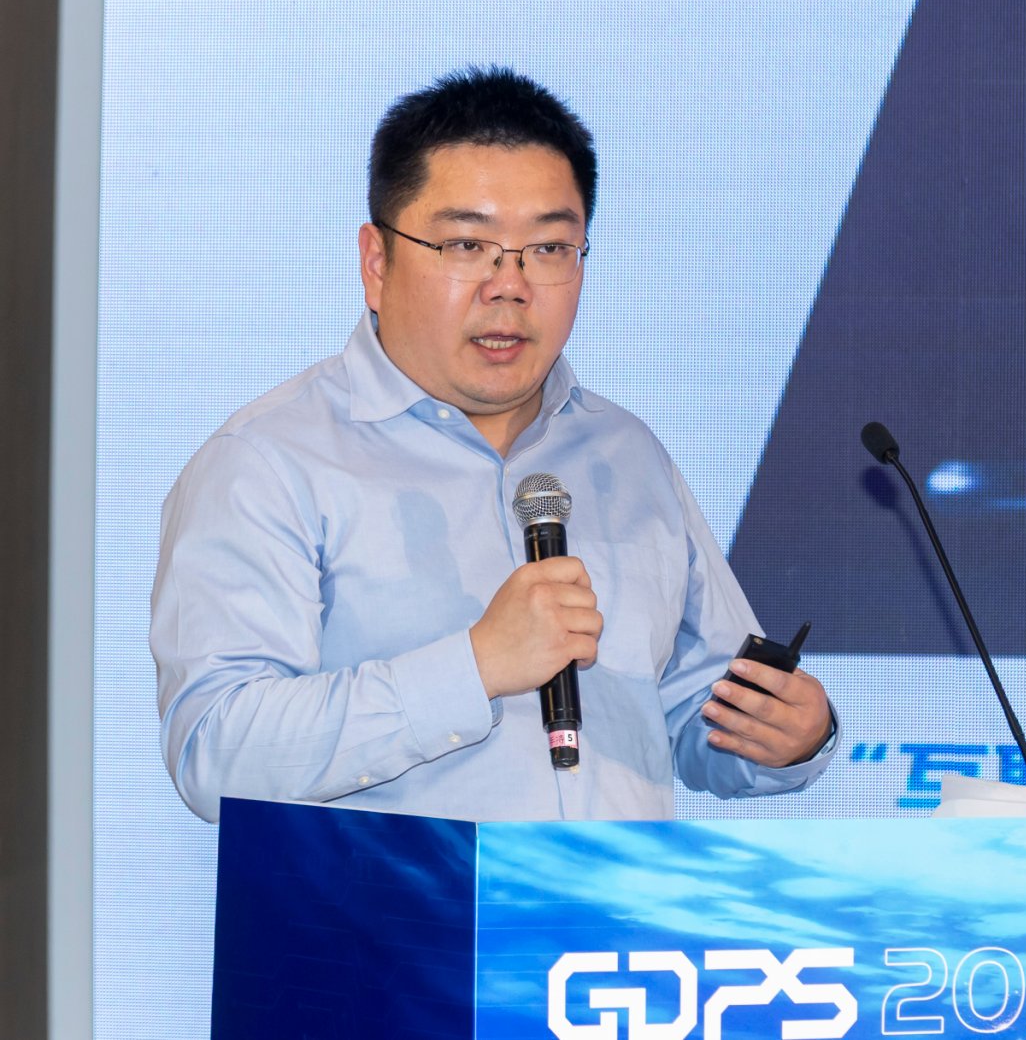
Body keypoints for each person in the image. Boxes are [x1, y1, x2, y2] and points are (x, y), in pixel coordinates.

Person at [151, 67, 835, 824]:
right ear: (377, 263)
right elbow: (216, 754)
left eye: (549, 248)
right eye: (467, 244)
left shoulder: (627, 455)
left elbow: (696, 715)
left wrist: (788, 737)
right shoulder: (268, 463)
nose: (509, 285)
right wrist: (474, 666)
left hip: (609, 900)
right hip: (393, 903)